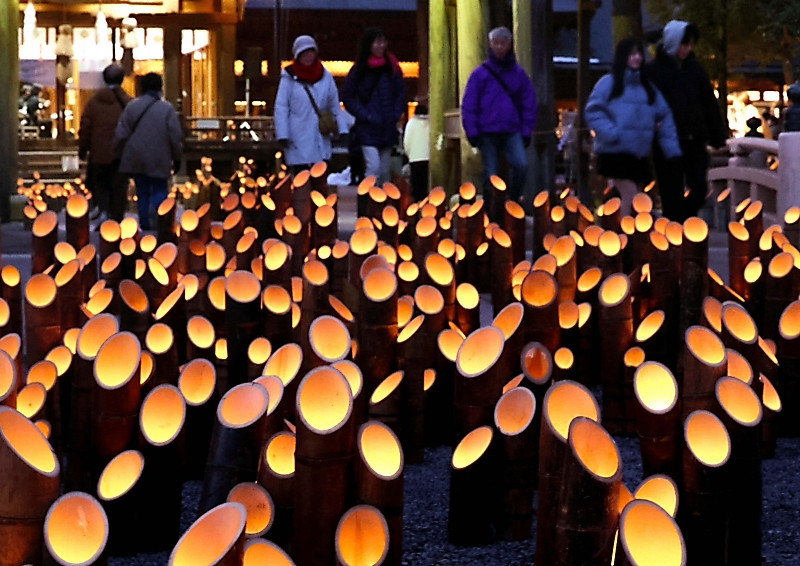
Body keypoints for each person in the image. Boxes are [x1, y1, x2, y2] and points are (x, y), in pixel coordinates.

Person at [585, 39, 681, 216]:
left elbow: (664, 115)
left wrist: (671, 149)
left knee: (637, 197)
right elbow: (594, 111)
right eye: (632, 54)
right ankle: (626, 235)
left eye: (639, 54)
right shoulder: (609, 83)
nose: (637, 58)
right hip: (615, 152)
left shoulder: (647, 87)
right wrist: (612, 133)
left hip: (639, 154)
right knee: (631, 195)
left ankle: (629, 235)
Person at [644, 20, 727, 222]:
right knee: (670, 192)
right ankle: (675, 236)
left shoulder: (695, 70)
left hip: (694, 139)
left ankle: (683, 220)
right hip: (665, 141)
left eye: (690, 45)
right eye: (683, 44)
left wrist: (718, 136)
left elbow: (709, 103)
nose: (687, 49)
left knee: (699, 189)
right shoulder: (653, 71)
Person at [462, 27, 537, 214]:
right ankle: (492, 211)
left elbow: (529, 103)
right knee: (490, 174)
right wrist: (472, 130)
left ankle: (512, 202)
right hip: (487, 130)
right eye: (496, 42)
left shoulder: (518, 74)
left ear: (509, 44)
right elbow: (469, 104)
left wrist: (526, 130)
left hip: (512, 129)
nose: (499, 46)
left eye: (503, 42)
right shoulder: (480, 74)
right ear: (490, 44)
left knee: (521, 166)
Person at [113, 72, 183, 230]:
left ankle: (145, 223)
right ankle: (160, 221)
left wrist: (117, 152)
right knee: (159, 187)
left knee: (142, 190)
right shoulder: (166, 109)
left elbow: (121, 133)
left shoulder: (132, 107)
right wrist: (177, 157)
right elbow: (175, 136)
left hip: (137, 155)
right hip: (159, 156)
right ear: (160, 87)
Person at [341, 27, 407, 184]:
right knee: (374, 168)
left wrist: (396, 112)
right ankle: (369, 204)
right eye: (377, 41)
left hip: (387, 126)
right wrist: (365, 114)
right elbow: (346, 95)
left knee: (385, 172)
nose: (381, 45)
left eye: (383, 41)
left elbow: (401, 92)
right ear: (369, 44)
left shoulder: (393, 67)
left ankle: (383, 206)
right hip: (368, 128)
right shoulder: (359, 69)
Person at [274, 35, 347, 174]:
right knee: (300, 178)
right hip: (297, 136)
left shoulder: (326, 76)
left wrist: (343, 130)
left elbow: (334, 105)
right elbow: (281, 106)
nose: (308, 56)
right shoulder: (288, 78)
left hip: (320, 136)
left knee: (319, 178)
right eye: (304, 53)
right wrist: (282, 134)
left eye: (311, 52)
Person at [78, 64, 132, 222]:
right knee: (119, 186)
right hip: (121, 152)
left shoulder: (93, 102)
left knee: (101, 184)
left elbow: (86, 127)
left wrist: (83, 148)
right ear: (122, 79)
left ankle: (104, 212)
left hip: (99, 152)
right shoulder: (128, 102)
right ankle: (116, 219)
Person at [403, 101, 430, 201]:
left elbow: (407, 141)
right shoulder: (430, 123)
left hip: (415, 158)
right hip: (428, 157)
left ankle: (416, 204)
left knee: (416, 184)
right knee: (425, 183)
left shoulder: (411, 123)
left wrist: (408, 154)